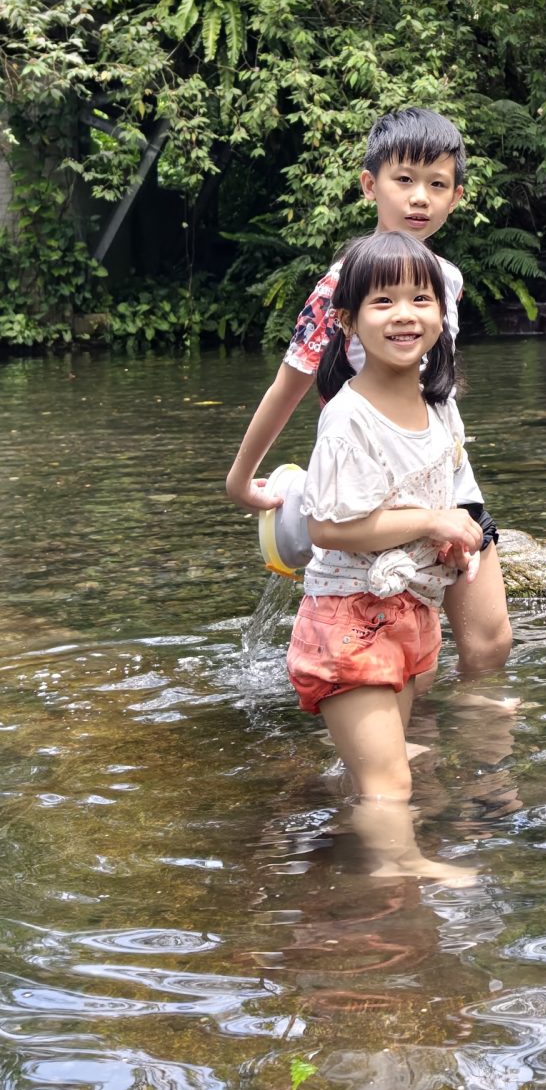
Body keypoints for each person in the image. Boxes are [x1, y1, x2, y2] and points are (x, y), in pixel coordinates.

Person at [223, 106, 514, 682]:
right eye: (403, 180)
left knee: (490, 640)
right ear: (369, 184)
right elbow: (292, 379)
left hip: (445, 474)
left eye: (437, 185)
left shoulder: (446, 279)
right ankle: (409, 751)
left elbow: (438, 382)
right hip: (376, 484)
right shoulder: (344, 281)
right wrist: (240, 477)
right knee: (398, 650)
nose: (419, 198)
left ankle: (484, 758)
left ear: (456, 197)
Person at [283, 229, 486, 884]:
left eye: (420, 298)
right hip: (350, 617)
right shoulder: (349, 417)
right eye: (382, 302)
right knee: (388, 780)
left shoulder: (436, 404)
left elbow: (432, 488)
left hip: (408, 610)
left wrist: (453, 533)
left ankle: (341, 859)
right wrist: (430, 520)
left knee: (387, 761)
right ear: (346, 321)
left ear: (442, 312)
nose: (404, 314)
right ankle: (400, 871)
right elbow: (326, 527)